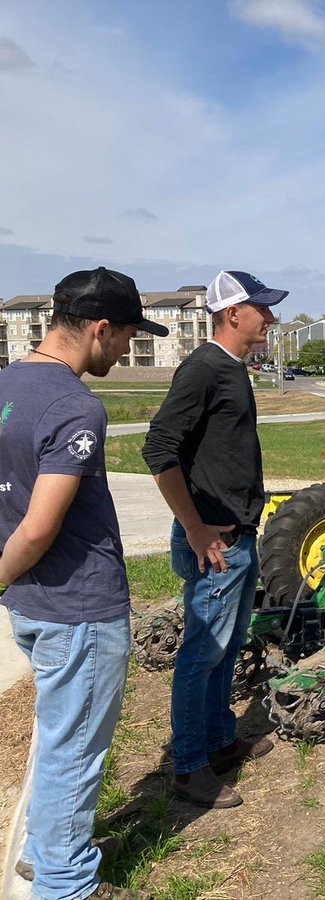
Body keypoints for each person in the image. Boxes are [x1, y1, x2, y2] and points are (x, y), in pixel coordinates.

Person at [0, 267, 166, 900]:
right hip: (80, 610)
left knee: (59, 737)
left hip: (34, 605)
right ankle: (64, 883)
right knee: (74, 752)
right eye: (124, 336)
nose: (124, 350)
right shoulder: (76, 407)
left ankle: (46, 856)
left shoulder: (8, 383)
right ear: (99, 328)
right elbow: (40, 528)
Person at [142, 270, 286, 809]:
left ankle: (220, 739)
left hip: (238, 533)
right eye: (262, 310)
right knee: (203, 652)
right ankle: (190, 767)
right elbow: (160, 449)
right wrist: (196, 528)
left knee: (227, 645)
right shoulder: (203, 367)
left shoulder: (232, 369)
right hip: (216, 541)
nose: (270, 318)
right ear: (233, 314)